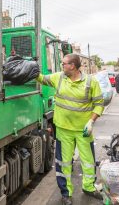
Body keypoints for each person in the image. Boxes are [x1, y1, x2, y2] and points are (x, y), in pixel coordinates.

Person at [36, 54, 104, 205]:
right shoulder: (59, 77)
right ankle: (66, 193)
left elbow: (99, 103)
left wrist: (91, 121)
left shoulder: (90, 82)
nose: (62, 65)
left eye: (64, 63)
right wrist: (29, 69)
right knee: (64, 162)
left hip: (83, 130)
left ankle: (88, 187)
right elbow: (42, 78)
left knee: (88, 161)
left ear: (72, 66)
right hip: (63, 129)